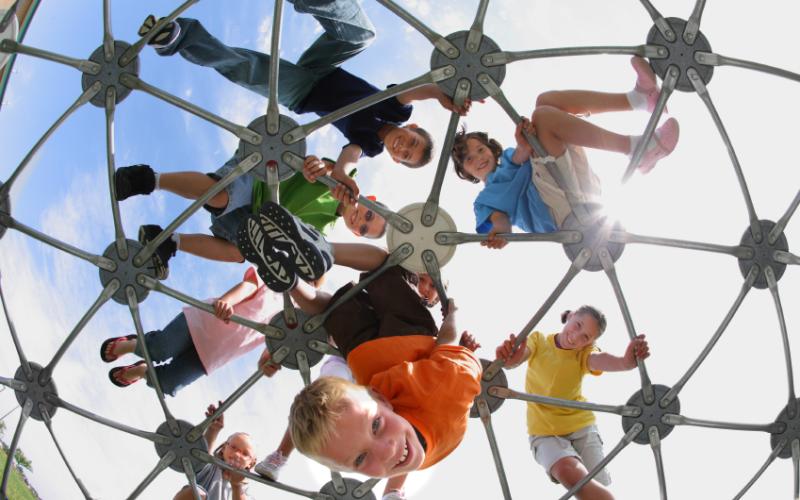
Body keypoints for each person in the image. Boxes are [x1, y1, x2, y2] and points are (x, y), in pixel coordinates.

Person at [141, 0, 470, 200]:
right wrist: (441, 94)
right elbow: (411, 90)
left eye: (406, 155)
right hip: (325, 66)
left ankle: (179, 38)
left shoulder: (369, 144)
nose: (403, 147)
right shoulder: (397, 112)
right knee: (363, 34)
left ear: (397, 161)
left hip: (303, 92)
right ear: (411, 128)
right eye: (411, 142)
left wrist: (341, 176)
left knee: (248, 70)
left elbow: (349, 158)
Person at [251, 200, 482, 477]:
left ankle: (304, 269)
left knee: (379, 270)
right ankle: (296, 279)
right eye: (375, 426)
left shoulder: (442, 403)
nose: (387, 451)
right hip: (374, 352)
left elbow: (447, 340)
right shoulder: (449, 393)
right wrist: (453, 314)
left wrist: (452, 315)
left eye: (360, 459)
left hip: (397, 346)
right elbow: (448, 348)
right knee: (343, 297)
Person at [451, 56, 679, 249]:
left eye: (481, 150)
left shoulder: (510, 157)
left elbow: (521, 154)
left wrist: (526, 140)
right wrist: (500, 234)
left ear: (491, 150)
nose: (479, 158)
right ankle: (636, 150)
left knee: (545, 101)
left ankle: (639, 98)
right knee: (543, 117)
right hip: (554, 211)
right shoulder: (484, 200)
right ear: (465, 172)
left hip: (573, 183)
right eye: (469, 159)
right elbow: (501, 221)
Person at [114, 154, 388, 279]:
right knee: (222, 195)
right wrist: (320, 167)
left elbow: (309, 251)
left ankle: (168, 240)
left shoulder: (323, 227)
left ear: (355, 234)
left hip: (253, 214)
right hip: (260, 177)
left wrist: (318, 273)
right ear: (369, 200)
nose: (359, 220)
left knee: (240, 253)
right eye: (368, 215)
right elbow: (338, 160)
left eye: (363, 228)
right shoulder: (340, 181)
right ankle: (148, 179)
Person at [494, 306, 650, 500]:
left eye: (585, 337)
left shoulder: (583, 353)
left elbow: (598, 360)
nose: (576, 337)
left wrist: (625, 362)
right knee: (568, 470)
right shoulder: (540, 340)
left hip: (581, 427)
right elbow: (520, 355)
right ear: (570, 316)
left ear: (590, 342)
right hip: (545, 432)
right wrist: (511, 359)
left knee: (598, 484)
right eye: (577, 325)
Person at [100, 266, 280, 395]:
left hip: (216, 353)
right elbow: (250, 285)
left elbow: (277, 341)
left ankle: (141, 371)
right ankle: (132, 344)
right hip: (206, 321)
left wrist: (266, 362)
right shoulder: (280, 280)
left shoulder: (297, 317)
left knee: (169, 383)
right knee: (160, 348)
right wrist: (227, 301)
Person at [255, 356, 410, 500]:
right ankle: (279, 456)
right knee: (318, 406)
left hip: (381, 366)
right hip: (344, 358)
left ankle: (393, 489)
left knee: (406, 417)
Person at [174, 402, 257, 500]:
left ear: (250, 464)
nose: (237, 454)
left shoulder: (244, 490)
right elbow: (202, 455)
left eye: (245, 453)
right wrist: (213, 429)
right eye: (234, 447)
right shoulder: (212, 468)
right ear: (223, 448)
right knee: (196, 492)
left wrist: (236, 485)